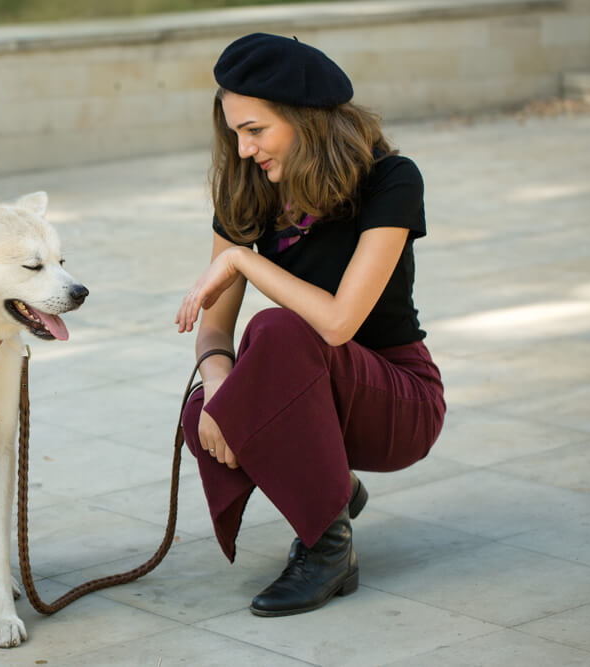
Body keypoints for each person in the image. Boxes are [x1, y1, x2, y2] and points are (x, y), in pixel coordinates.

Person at [174, 33, 445, 617]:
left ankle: (329, 550)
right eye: (234, 134)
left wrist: (244, 259)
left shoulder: (391, 179)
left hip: (398, 397)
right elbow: (216, 332)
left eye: (255, 130)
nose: (243, 150)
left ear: (306, 121)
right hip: (317, 389)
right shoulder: (247, 191)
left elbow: (339, 322)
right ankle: (334, 489)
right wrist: (220, 389)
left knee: (276, 329)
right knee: (204, 413)